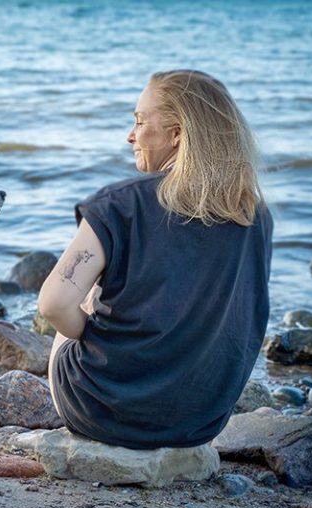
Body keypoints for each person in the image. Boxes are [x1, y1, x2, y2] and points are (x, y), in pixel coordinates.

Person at [38, 70, 273, 450]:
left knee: (83, 294)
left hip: (100, 412)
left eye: (140, 121)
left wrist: (99, 339)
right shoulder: (255, 215)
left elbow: (51, 303)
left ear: (177, 134)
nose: (130, 136)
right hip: (200, 423)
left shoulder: (121, 203)